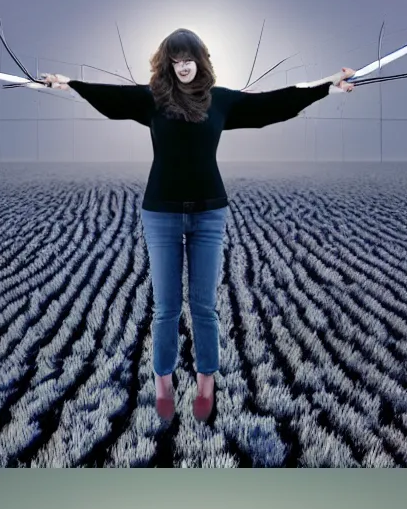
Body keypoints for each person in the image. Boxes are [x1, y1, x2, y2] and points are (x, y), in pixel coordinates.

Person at [40, 30, 354, 423]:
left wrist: (328, 87)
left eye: (190, 58)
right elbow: (109, 97)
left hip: (209, 214)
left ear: (200, 60)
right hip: (161, 215)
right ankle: (163, 383)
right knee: (166, 307)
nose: (183, 65)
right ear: (167, 63)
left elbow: (273, 105)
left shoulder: (220, 101)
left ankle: (206, 383)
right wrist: (66, 84)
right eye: (176, 59)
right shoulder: (153, 99)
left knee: (204, 306)